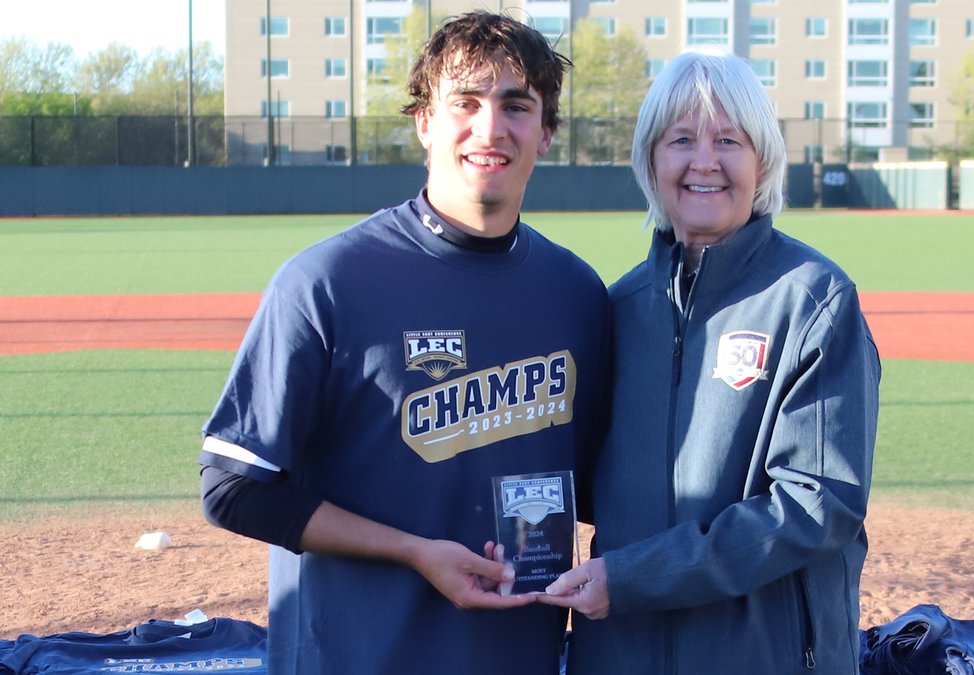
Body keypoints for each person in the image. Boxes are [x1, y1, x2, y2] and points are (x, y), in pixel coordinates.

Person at [198, 11, 609, 674]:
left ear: (547, 132)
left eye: (516, 105)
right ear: (424, 122)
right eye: (464, 103)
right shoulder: (328, 280)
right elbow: (231, 484)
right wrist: (414, 550)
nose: (490, 127)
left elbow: (598, 489)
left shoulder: (578, 294)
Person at [538, 51, 881, 674]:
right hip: (622, 657)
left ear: (762, 160)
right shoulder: (615, 310)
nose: (705, 161)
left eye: (729, 140)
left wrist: (637, 576)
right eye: (681, 140)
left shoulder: (813, 300)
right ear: (651, 160)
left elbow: (815, 505)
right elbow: (581, 486)